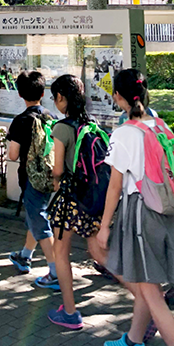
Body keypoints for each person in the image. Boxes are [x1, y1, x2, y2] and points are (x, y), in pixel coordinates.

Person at [96, 69, 174, 346]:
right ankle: (132, 342)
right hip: (163, 212)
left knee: (152, 295)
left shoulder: (125, 132)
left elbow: (115, 186)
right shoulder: (160, 125)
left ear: (118, 96)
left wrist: (104, 227)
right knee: (147, 283)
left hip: (139, 214)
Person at [115, 69, 174, 310]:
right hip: (162, 196)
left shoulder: (127, 124)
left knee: (147, 265)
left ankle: (163, 304)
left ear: (118, 95)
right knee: (164, 249)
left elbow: (121, 175)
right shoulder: (155, 118)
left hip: (143, 200)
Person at [47, 74, 108, 330]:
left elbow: (59, 169)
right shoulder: (90, 124)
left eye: (55, 97)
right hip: (91, 197)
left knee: (61, 253)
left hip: (70, 200)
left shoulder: (62, 128)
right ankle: (146, 296)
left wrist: (53, 179)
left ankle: (70, 311)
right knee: (99, 253)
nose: (54, 102)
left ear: (62, 98)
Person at [6, 71, 59, 289]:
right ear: (42, 92)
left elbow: (13, 155)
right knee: (36, 216)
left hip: (32, 179)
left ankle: (56, 273)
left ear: (20, 94)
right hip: (49, 175)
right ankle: (25, 255)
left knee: (40, 222)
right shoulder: (50, 116)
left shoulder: (21, 121)